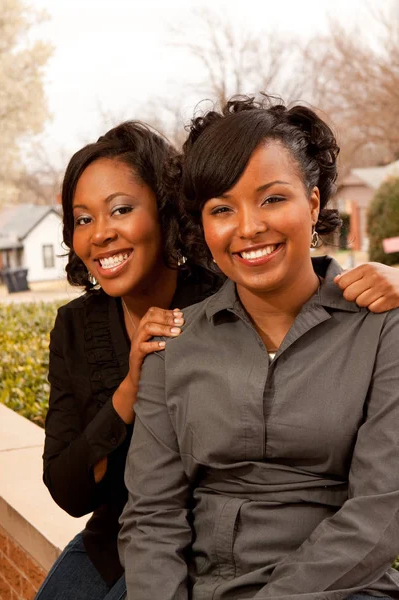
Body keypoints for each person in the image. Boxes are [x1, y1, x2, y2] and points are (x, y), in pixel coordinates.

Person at [119, 96, 399, 600]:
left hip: (342, 589)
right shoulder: (172, 343)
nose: (248, 227)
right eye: (222, 209)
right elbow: (151, 517)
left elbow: (381, 509)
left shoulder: (382, 330)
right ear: (203, 227)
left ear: (313, 204)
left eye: (272, 199)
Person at [36, 121, 219, 600]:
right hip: (112, 538)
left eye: (120, 210)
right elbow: (66, 488)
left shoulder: (222, 299)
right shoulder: (75, 327)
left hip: (208, 547)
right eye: (83, 219)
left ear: (164, 211)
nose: (101, 234)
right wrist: (129, 390)